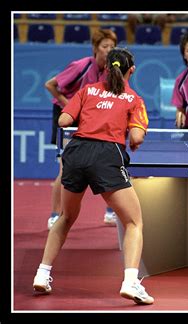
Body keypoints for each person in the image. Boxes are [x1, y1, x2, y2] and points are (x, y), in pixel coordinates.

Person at [33, 47, 154, 305]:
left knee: (65, 217)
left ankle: (42, 274)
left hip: (76, 153)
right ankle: (131, 282)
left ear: (106, 69)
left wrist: (91, 110)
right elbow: (136, 137)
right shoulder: (134, 99)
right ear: (131, 70)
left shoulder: (86, 90)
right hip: (107, 155)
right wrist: (135, 134)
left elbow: (64, 121)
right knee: (133, 223)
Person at [45, 29, 118, 230]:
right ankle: (54, 215)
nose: (109, 51)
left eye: (112, 47)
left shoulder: (111, 71)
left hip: (90, 119)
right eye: (105, 47)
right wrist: (70, 106)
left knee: (104, 164)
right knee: (65, 168)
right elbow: (50, 85)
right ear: (95, 48)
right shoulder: (82, 65)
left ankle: (111, 213)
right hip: (66, 117)